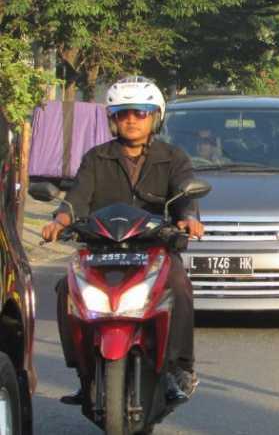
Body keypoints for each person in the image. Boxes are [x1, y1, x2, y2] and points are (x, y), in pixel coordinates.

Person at [41, 76, 205, 405]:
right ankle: (84, 371)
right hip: (101, 249)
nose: (131, 119)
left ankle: (178, 368)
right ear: (113, 119)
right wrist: (60, 220)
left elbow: (185, 193)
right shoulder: (96, 157)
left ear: (155, 117)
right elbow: (76, 198)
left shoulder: (173, 158)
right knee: (65, 290)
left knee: (181, 287)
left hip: (154, 248)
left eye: (140, 112)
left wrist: (189, 219)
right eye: (123, 113)